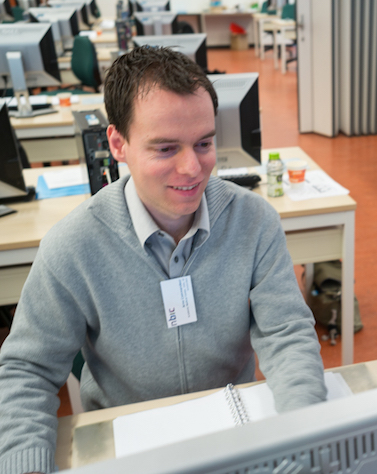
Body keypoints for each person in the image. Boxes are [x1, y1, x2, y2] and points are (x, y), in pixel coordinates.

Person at [0, 46, 327, 474]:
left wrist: (308, 436)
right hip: (128, 445)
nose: (192, 168)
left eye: (204, 143)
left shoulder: (253, 221)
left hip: (232, 434)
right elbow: (27, 370)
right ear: (118, 143)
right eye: (166, 148)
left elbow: (287, 335)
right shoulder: (73, 245)